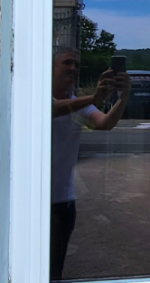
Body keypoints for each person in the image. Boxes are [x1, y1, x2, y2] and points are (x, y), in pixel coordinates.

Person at [50, 48, 130, 281]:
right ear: (52, 68)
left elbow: (103, 123)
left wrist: (123, 98)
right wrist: (95, 98)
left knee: (54, 270)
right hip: (31, 201)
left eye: (77, 65)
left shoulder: (79, 104)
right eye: (67, 63)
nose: (73, 69)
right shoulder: (37, 97)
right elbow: (48, 110)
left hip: (61, 200)